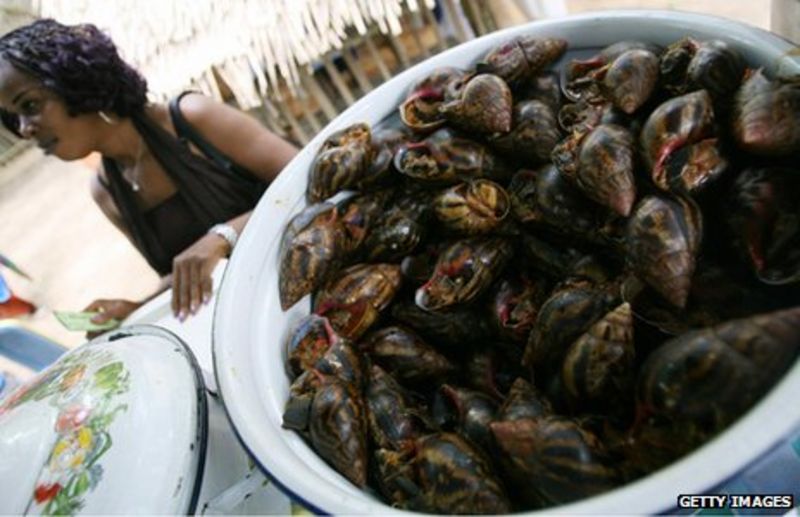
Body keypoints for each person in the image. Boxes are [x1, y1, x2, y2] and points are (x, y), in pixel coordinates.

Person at [0, 19, 298, 331]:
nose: (25, 128)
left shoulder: (191, 119)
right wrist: (137, 308)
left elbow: (311, 175)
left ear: (74, 82)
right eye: (13, 118)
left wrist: (222, 237)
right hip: (262, 325)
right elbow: (181, 274)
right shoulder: (106, 192)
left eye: (30, 105)